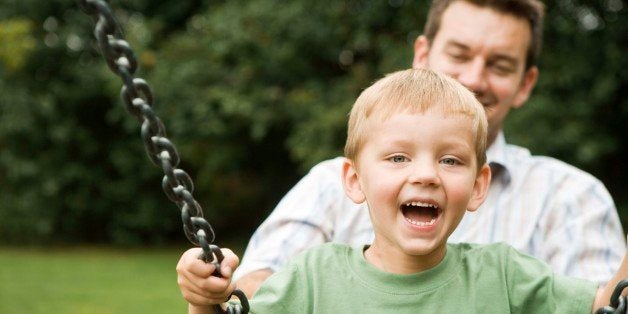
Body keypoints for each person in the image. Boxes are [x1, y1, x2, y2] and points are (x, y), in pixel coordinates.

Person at [179, 0, 626, 301]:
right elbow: (260, 284)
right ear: (423, 53)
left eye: (499, 64)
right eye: (459, 53)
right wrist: (212, 294)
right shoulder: (331, 183)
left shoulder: (572, 196)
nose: (474, 77)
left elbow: (606, 304)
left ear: (526, 83)